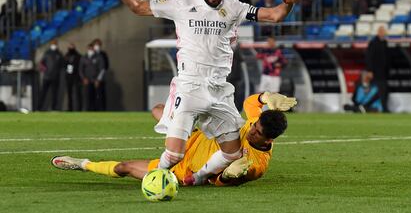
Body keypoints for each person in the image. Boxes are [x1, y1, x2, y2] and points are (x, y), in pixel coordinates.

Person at [106, 0, 301, 185]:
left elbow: (274, 15)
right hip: (191, 85)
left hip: (220, 90)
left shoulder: (234, 7)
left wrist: (288, 3)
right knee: (174, 156)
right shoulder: (181, 3)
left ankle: (195, 179)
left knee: (233, 154)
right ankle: (156, 180)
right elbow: (138, 7)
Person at [51, 92, 295, 186]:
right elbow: (250, 104)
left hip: (182, 172)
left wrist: (229, 177)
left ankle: (82, 164)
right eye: (255, 127)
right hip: (193, 139)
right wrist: (266, 97)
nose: (252, 130)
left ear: (269, 139)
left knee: (125, 167)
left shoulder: (258, 164)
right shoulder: (256, 123)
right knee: (158, 109)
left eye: (257, 133)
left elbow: (218, 180)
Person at [365, 26, 389, 112]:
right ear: (378, 32)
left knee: (382, 91)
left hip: (384, 72)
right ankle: (384, 109)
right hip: (376, 72)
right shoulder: (373, 43)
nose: (383, 33)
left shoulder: (385, 43)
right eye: (382, 31)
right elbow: (369, 57)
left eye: (384, 31)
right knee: (382, 90)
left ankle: (366, 105)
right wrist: (370, 70)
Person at [38, 40, 63, 111]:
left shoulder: (59, 54)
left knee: (55, 94)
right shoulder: (47, 53)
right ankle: (39, 107)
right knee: (43, 93)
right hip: (47, 77)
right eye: (53, 44)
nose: (54, 45)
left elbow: (62, 65)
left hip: (55, 77)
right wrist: (44, 69)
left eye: (55, 44)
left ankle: (54, 108)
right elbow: (41, 63)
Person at [79, 44, 106, 111]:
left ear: (93, 49)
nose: (90, 50)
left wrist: (98, 79)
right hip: (87, 81)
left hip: (96, 81)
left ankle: (98, 112)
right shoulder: (84, 57)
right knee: (87, 97)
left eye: (91, 49)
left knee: (97, 97)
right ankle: (88, 111)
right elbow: (80, 69)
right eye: (89, 49)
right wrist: (84, 78)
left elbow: (102, 69)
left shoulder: (99, 57)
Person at [63, 43, 82, 111]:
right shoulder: (66, 56)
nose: (71, 49)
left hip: (76, 76)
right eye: (70, 47)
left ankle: (79, 108)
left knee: (78, 93)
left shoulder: (78, 56)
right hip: (68, 77)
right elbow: (64, 64)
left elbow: (80, 66)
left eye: (72, 47)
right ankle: (70, 108)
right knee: (69, 94)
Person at [92, 38, 109, 111]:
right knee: (92, 96)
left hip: (100, 79)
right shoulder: (91, 55)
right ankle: (94, 109)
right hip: (91, 79)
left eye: (98, 44)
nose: (97, 46)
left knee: (101, 94)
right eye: (96, 44)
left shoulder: (103, 54)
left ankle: (102, 109)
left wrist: (98, 79)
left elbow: (105, 67)